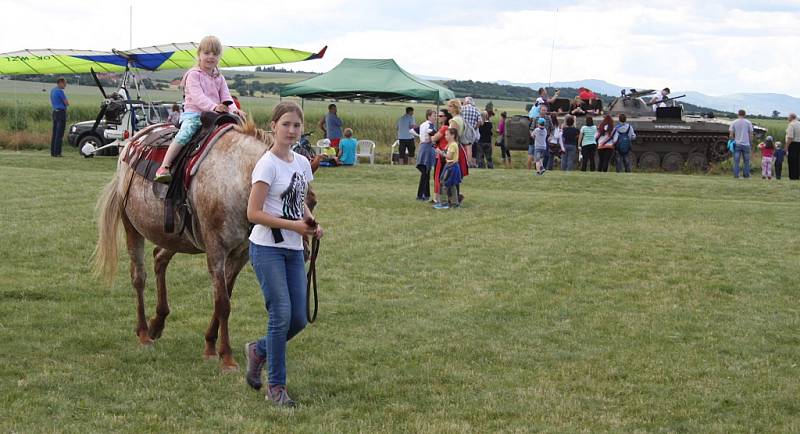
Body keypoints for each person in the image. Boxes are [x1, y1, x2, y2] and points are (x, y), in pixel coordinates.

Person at [244, 101, 322, 407]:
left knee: (299, 318)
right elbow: (253, 212)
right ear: (273, 126)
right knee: (280, 316)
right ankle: (276, 386)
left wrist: (311, 222)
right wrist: (294, 225)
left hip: (293, 248)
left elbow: (298, 198)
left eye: (297, 126)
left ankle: (259, 351)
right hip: (266, 248)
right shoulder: (267, 165)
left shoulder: (301, 162)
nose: (291, 130)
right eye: (286, 124)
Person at [154, 36, 243, 183]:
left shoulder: (219, 77)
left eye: (215, 54)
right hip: (194, 114)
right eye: (207, 53)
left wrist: (234, 110)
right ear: (199, 54)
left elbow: (226, 97)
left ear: (219, 57)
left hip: (214, 115)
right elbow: (197, 97)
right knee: (186, 133)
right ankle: (164, 166)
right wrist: (214, 106)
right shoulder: (193, 75)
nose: (211, 57)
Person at [433, 127, 463, 209]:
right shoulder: (450, 144)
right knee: (452, 185)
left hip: (451, 166)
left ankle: (444, 203)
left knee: (444, 183)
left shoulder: (453, 145)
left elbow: (449, 157)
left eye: (447, 135)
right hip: (451, 166)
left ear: (453, 135)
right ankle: (455, 203)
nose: (445, 136)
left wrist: (440, 152)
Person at [412, 109, 437, 200]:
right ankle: (420, 195)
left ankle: (426, 194)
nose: (435, 118)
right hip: (427, 148)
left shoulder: (423, 124)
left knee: (426, 172)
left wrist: (421, 137)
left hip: (422, 147)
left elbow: (412, 130)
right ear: (429, 116)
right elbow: (433, 135)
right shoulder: (430, 126)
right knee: (425, 173)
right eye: (434, 116)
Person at [431, 109, 453, 206]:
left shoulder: (444, 127)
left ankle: (438, 198)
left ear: (446, 117)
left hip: (441, 155)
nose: (438, 117)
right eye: (438, 115)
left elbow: (434, 138)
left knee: (438, 176)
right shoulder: (447, 127)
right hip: (444, 154)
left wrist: (433, 137)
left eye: (440, 116)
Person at [729, 109, 754, 179]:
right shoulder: (748, 122)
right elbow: (751, 134)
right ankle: (746, 175)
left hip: (737, 144)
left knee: (736, 161)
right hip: (746, 144)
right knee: (746, 161)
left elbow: (731, 135)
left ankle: (736, 175)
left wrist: (732, 141)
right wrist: (751, 142)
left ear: (738, 114)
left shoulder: (734, 122)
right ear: (745, 114)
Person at [49, 77, 69, 157]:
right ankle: (58, 152)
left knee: (54, 133)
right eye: (64, 83)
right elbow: (66, 103)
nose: (65, 85)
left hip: (55, 112)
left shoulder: (52, 91)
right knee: (59, 134)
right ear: (60, 82)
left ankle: (53, 152)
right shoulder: (60, 91)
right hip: (61, 113)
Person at [461, 97, 482, 167]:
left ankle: (464, 162)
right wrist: (475, 128)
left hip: (463, 130)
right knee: (469, 146)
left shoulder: (462, 108)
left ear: (466, 102)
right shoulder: (476, 109)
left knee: (462, 147)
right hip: (471, 131)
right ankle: (469, 163)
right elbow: (480, 121)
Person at [785, 113, 800, 180]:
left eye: (788, 117)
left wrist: (786, 147)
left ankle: (793, 177)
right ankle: (797, 176)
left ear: (791, 117)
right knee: (798, 161)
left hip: (793, 144)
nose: (787, 118)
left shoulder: (791, 125)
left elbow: (790, 137)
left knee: (792, 161)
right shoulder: (799, 123)